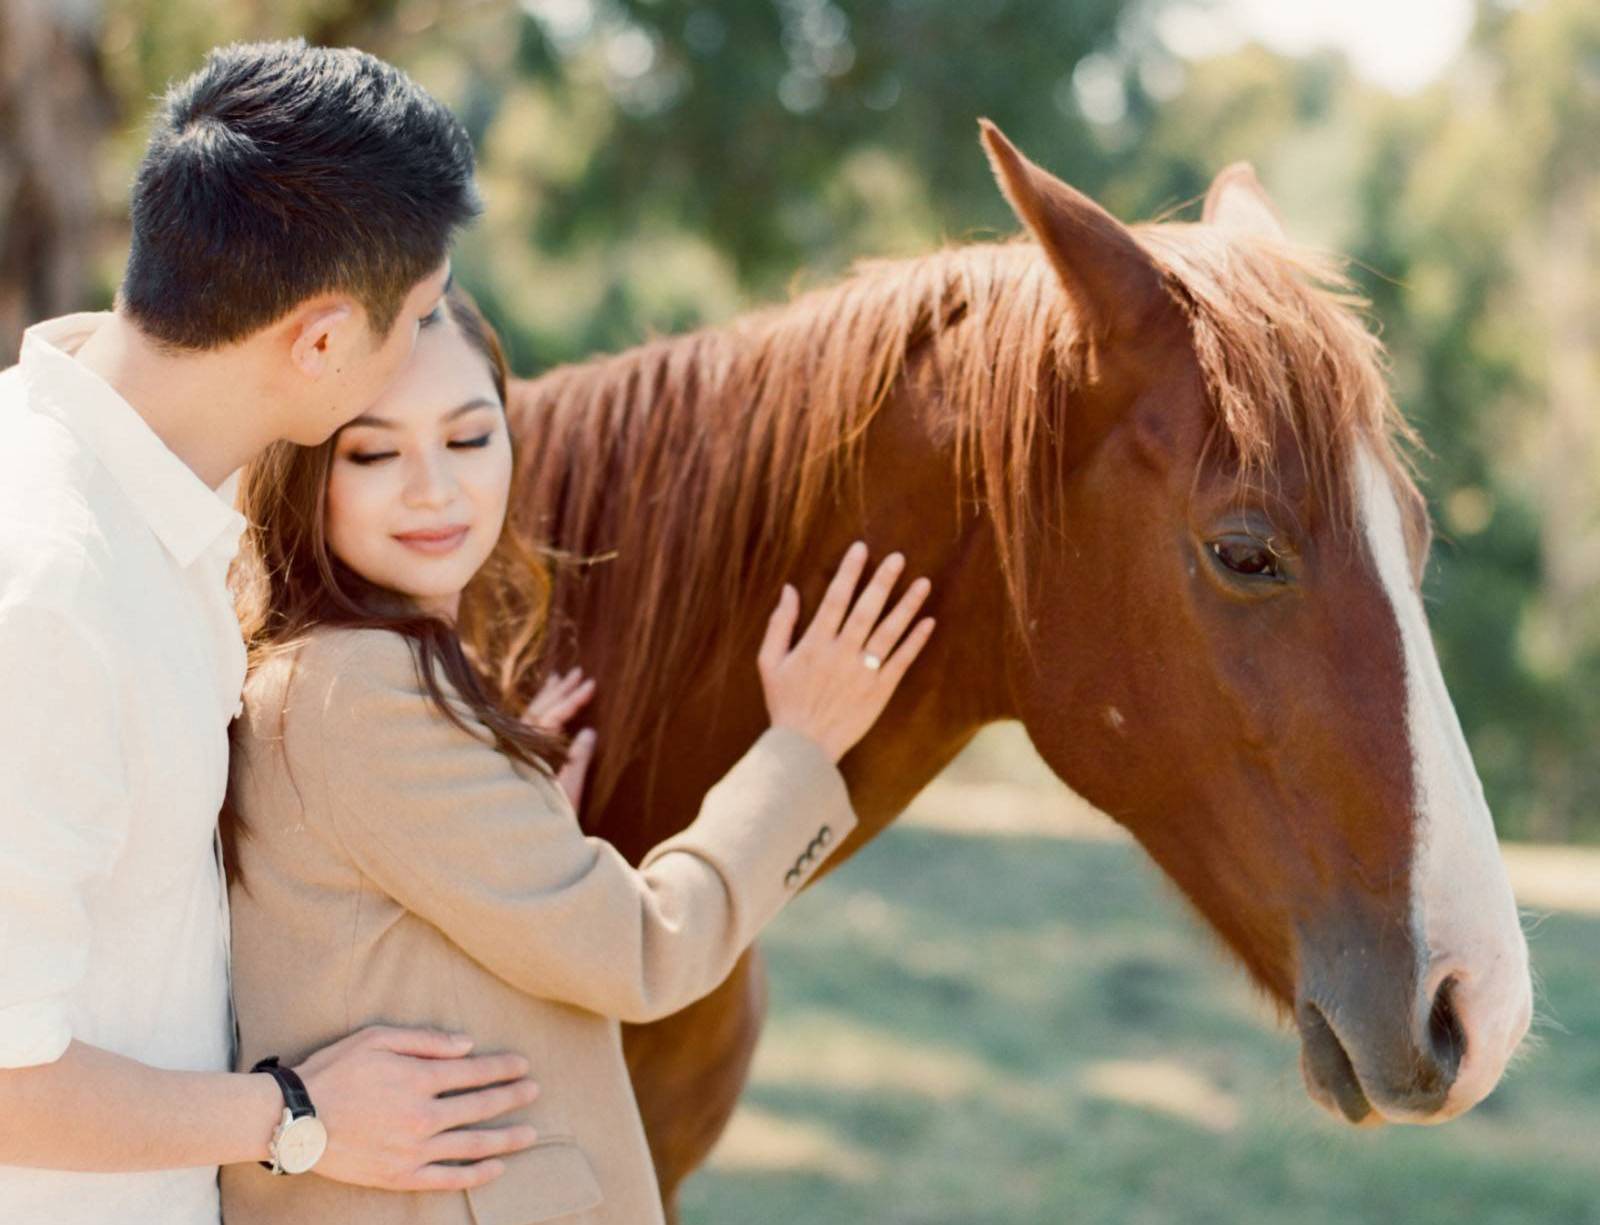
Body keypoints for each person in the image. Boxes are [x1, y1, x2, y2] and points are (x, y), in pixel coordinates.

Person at [219, 285, 937, 1224]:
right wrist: (801, 748)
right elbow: (644, 953)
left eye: (470, 438)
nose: (436, 487)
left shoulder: (342, 670)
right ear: (307, 467)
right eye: (376, 450)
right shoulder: (356, 690)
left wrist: (515, 796)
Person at [0, 40, 545, 1224]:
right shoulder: (50, 591)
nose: (419, 349)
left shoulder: (147, 513)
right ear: (321, 340)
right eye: (412, 319)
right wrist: (295, 1112)